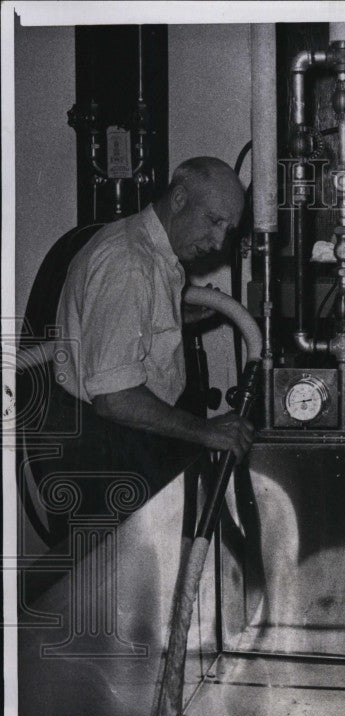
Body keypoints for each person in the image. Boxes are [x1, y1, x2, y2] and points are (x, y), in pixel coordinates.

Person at [28, 157, 254, 543]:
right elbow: (115, 399)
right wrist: (205, 431)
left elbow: (112, 325)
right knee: (112, 590)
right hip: (103, 453)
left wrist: (175, 317)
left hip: (110, 444)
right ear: (179, 198)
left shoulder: (143, 247)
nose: (219, 243)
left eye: (228, 229)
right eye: (214, 221)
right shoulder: (130, 263)